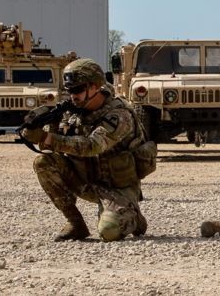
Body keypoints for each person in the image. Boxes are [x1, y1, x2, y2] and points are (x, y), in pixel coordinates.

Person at [21, 58, 152, 242]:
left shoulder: (119, 115)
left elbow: (92, 146)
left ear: (95, 87)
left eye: (78, 90)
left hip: (116, 185)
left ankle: (134, 218)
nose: (73, 95)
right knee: (43, 162)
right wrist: (40, 128)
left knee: (109, 231)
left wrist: (46, 138)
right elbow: (59, 146)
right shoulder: (73, 112)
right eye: (70, 90)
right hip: (85, 180)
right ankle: (75, 224)